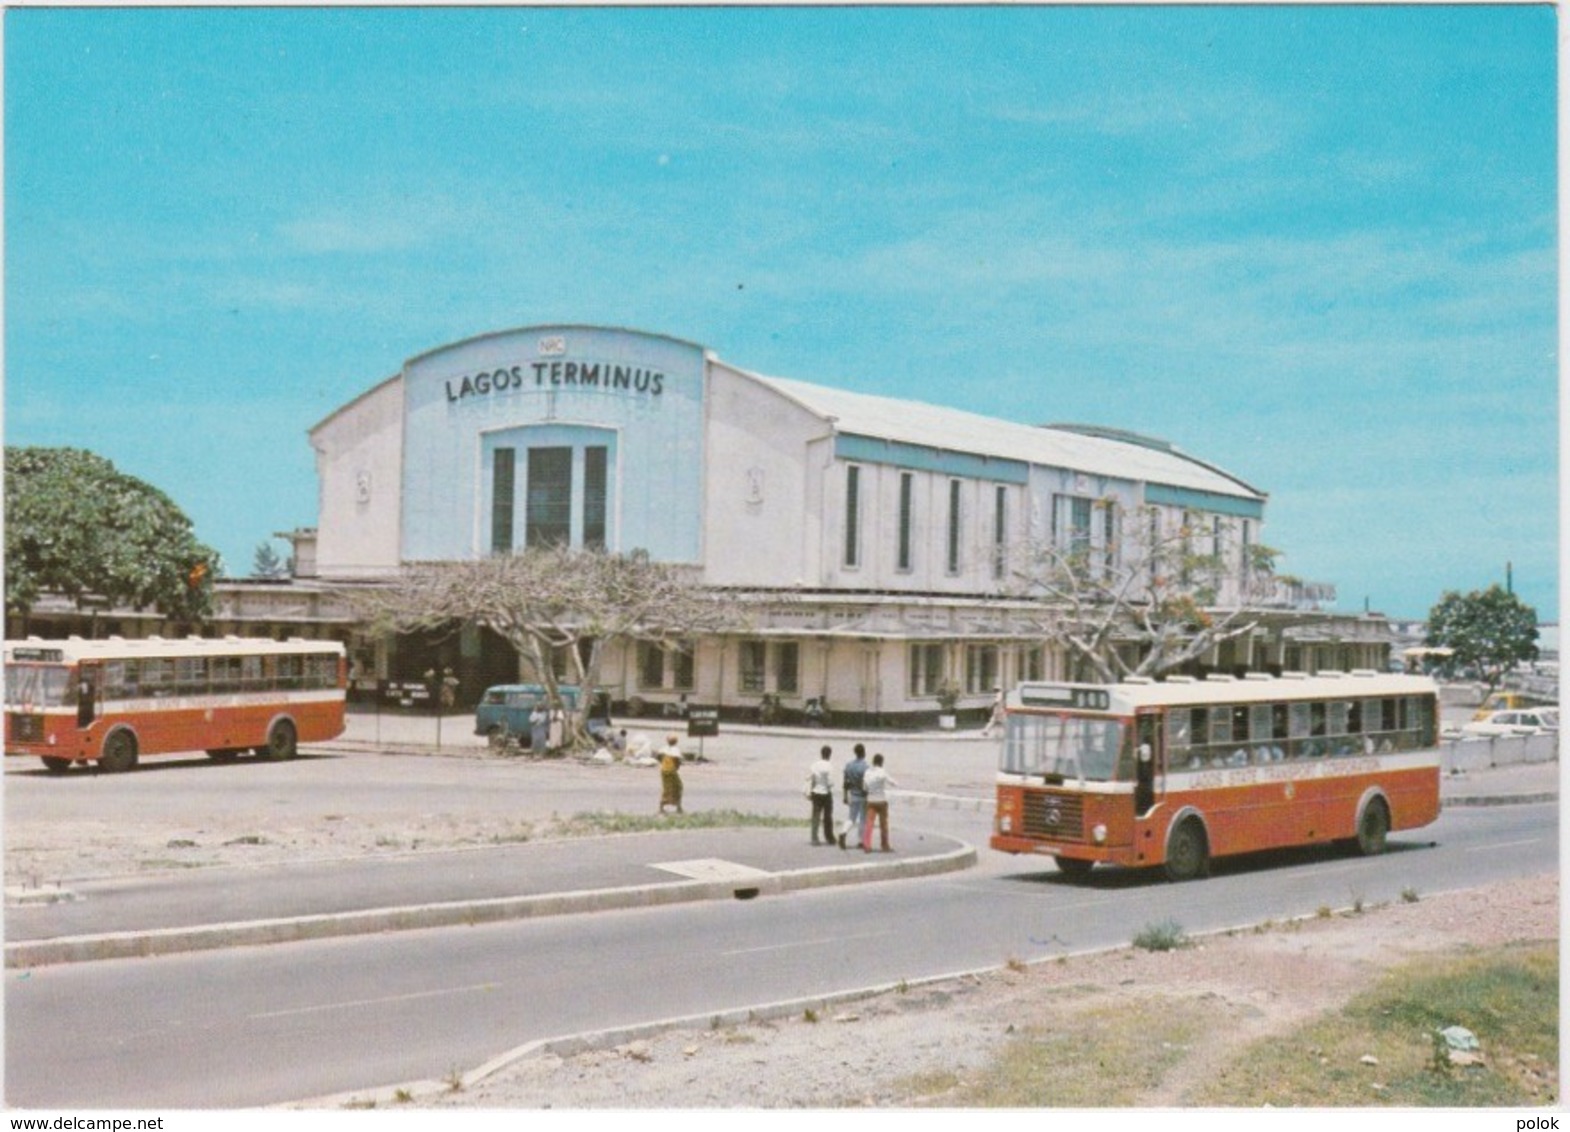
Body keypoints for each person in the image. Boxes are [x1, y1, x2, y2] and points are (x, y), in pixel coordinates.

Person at [862, 752, 897, 852]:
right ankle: (884, 845)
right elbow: (892, 782)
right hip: (881, 800)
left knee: (869, 823)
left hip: (871, 800)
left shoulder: (867, 772)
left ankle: (867, 845)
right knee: (883, 824)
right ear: (881, 762)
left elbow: (865, 787)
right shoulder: (882, 772)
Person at [838, 743, 868, 850]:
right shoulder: (866, 767)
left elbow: (845, 782)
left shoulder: (849, 765)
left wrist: (845, 796)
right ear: (864, 752)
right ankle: (861, 841)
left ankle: (843, 832)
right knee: (863, 819)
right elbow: (866, 783)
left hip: (853, 795)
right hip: (863, 796)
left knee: (851, 818)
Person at [806, 745, 835, 845]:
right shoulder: (829, 766)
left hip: (816, 792)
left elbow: (810, 778)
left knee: (816, 816)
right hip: (826, 793)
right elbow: (830, 782)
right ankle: (829, 837)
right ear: (829, 755)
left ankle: (814, 837)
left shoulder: (815, 765)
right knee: (827, 817)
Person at [657, 734, 684, 814]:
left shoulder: (663, 749)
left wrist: (662, 762)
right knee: (678, 787)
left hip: (663, 771)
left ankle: (661, 806)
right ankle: (678, 807)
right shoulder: (676, 750)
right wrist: (677, 767)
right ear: (676, 742)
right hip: (671, 771)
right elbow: (678, 761)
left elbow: (658, 756)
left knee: (666, 788)